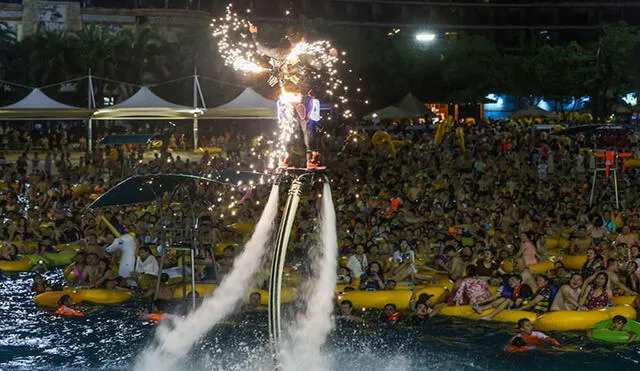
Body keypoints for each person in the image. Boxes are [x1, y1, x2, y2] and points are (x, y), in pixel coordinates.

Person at [249, 24, 337, 169]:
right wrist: (331, 56)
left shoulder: (280, 52)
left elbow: (261, 48)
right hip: (302, 98)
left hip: (286, 98)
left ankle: (285, 157)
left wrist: (254, 34)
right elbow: (320, 66)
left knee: (287, 128)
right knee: (308, 126)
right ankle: (311, 158)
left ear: (290, 40)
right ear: (302, 39)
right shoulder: (306, 54)